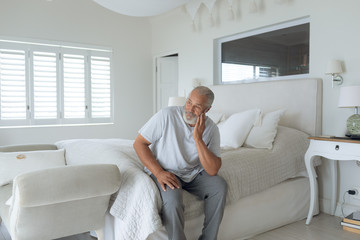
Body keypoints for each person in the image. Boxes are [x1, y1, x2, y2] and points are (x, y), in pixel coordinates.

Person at [133, 86, 227, 240]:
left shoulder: (212, 129)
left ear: (207, 110)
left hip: (193, 173)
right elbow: (139, 144)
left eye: (197, 106)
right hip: (165, 170)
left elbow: (212, 170)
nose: (189, 109)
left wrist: (198, 138)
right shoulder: (166, 115)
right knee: (173, 202)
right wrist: (159, 172)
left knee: (219, 186)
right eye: (189, 102)